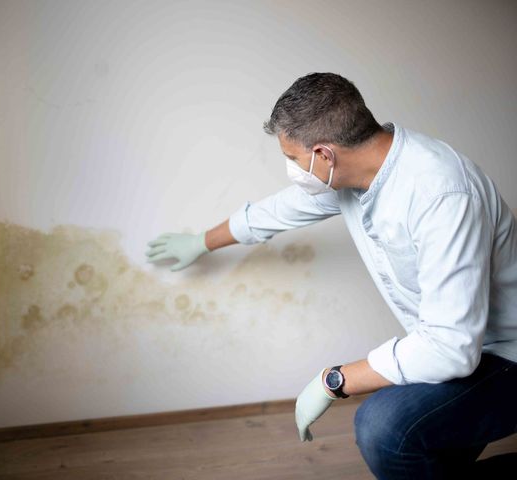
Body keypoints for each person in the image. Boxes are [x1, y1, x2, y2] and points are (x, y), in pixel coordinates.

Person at [144, 72, 517, 478]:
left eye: (291, 158)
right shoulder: (356, 177)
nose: (291, 169)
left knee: (382, 426)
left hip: (504, 356)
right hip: (464, 350)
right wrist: (201, 241)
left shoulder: (440, 194)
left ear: (324, 154)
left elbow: (449, 348)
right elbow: (276, 212)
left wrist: (333, 380)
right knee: (417, 452)